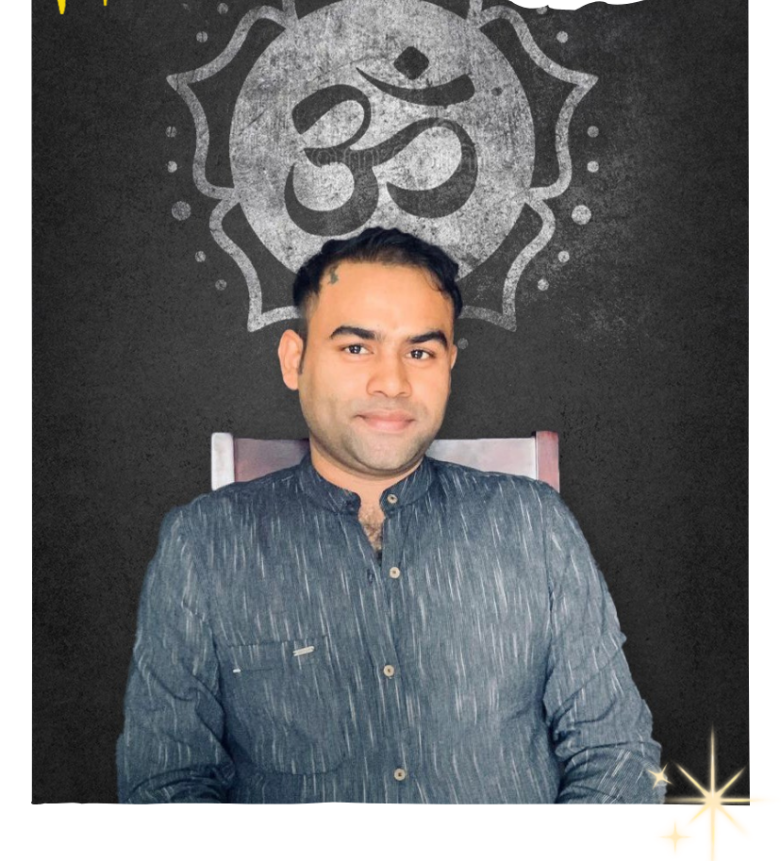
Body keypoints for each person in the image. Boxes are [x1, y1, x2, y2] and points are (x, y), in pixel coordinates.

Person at [117, 226, 664, 805]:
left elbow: (618, 756)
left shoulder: (534, 524)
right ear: (295, 360)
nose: (393, 383)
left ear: (449, 365)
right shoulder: (204, 545)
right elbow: (166, 783)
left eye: (420, 352)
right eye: (357, 348)